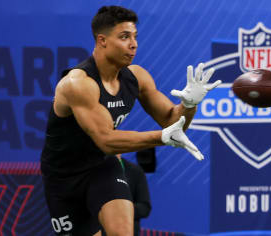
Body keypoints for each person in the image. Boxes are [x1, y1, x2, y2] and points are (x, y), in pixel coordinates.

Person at [40, 5, 221, 236]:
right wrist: (161, 138)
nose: (133, 44)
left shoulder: (137, 77)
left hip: (102, 166)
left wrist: (189, 105)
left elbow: (172, 123)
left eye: (135, 36)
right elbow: (106, 139)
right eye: (124, 37)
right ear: (102, 40)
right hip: (62, 178)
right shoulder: (78, 84)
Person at [102, 156, 151, 236]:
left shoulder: (135, 171)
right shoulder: (92, 169)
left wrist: (120, 209)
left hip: (127, 230)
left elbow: (145, 207)